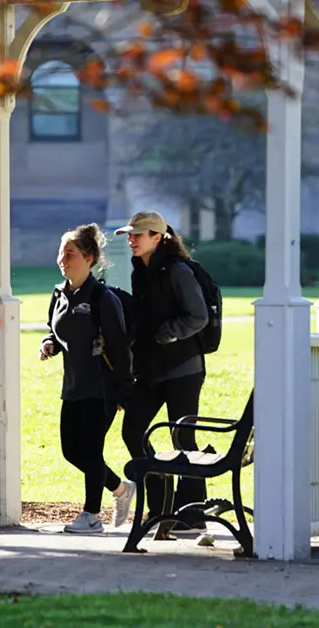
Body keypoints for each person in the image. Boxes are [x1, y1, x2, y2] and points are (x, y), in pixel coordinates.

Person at [115, 210, 210, 537]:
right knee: (133, 431)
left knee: (183, 438)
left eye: (138, 235)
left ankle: (193, 516)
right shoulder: (138, 270)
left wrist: (167, 332)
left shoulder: (179, 270)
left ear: (158, 237)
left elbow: (198, 316)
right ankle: (160, 507)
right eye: (129, 235)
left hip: (184, 369)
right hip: (151, 371)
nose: (131, 240)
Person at [39, 223, 137, 534]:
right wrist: (49, 344)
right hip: (74, 386)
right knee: (71, 450)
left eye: (69, 253)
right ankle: (120, 488)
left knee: (91, 450)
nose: (62, 259)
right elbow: (57, 331)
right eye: (61, 252)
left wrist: (124, 391)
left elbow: (120, 347)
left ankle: (92, 516)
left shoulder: (102, 298)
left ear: (89, 258)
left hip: (102, 387)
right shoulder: (59, 293)